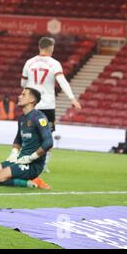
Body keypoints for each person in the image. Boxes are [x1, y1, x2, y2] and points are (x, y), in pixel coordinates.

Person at [21, 37, 82, 173]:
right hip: (47, 105)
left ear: (39, 46)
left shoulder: (29, 62)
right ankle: (43, 165)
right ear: (51, 48)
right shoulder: (54, 63)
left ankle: (25, 160)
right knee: (47, 135)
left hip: (31, 105)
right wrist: (72, 98)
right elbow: (62, 82)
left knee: (29, 133)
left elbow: (22, 84)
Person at [0, 87, 53, 189]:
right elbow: (18, 139)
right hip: (20, 160)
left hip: (33, 164)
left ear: (32, 100)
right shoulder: (22, 118)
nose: (19, 96)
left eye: (24, 95)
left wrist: (31, 157)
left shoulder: (39, 117)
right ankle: (28, 179)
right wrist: (14, 153)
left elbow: (48, 142)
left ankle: (31, 183)